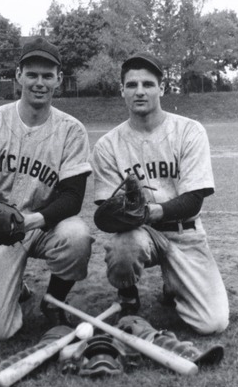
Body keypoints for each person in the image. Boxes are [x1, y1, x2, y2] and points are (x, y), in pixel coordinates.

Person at [0, 37, 93, 341]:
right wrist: (5, 224)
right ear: (18, 75)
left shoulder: (71, 130)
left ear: (59, 79)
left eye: (48, 75)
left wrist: (30, 221)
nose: (39, 82)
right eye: (32, 74)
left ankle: (53, 300)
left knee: (77, 237)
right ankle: (13, 284)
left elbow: (73, 198)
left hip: (44, 225)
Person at [91, 52, 229, 335]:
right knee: (123, 247)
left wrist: (155, 210)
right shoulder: (107, 145)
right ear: (122, 91)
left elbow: (193, 200)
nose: (139, 91)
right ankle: (128, 295)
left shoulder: (189, 131)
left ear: (162, 88)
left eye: (148, 84)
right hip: (141, 233)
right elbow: (106, 209)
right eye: (131, 85)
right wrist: (121, 210)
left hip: (184, 231)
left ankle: (173, 287)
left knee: (212, 323)